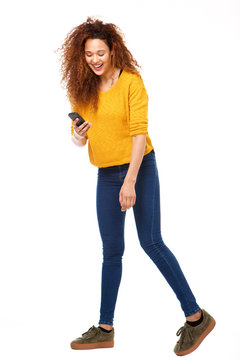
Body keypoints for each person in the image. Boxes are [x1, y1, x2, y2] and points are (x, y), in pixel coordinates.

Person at [57, 17, 215, 356]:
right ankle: (104, 328)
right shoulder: (82, 88)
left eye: (100, 52)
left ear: (113, 50)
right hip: (104, 174)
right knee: (111, 251)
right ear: (81, 56)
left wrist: (129, 181)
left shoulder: (131, 82)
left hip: (140, 168)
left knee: (152, 242)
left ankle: (196, 317)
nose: (95, 60)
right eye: (88, 54)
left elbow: (139, 135)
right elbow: (80, 141)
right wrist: (78, 136)